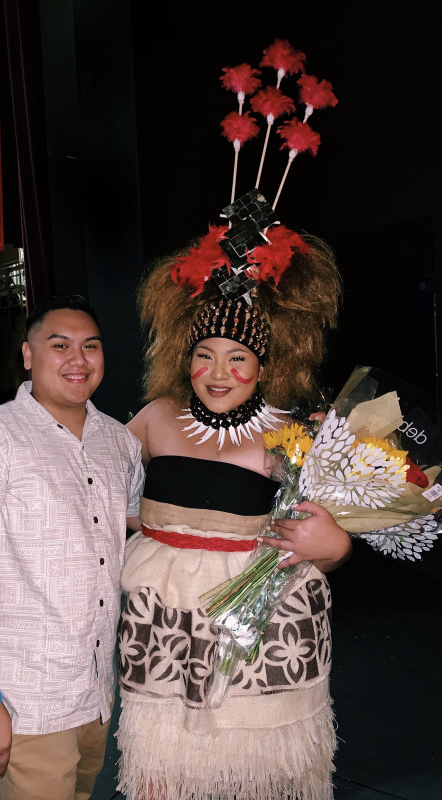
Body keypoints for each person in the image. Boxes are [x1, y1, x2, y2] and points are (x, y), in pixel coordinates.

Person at [116, 228, 352, 800]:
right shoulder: (154, 416)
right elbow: (103, 497)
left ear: (265, 366)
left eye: (236, 358)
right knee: (162, 772)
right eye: (204, 355)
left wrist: (335, 545)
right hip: (163, 621)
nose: (218, 372)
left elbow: (329, 535)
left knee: (256, 777)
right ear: (186, 358)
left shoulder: (290, 434)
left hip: (255, 625)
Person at [0, 295, 144, 800]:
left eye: (91, 346)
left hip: (96, 687)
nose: (78, 359)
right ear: (27, 355)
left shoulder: (119, 442)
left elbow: (137, 521)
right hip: (28, 699)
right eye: (59, 344)